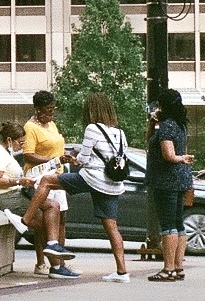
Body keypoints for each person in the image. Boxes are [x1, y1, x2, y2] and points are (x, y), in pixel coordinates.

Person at [25, 93, 132, 281]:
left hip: (91, 178)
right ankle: (122, 271)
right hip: (112, 184)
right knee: (112, 227)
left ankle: (25, 219)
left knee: (47, 181)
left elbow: (83, 160)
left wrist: (77, 156)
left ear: (92, 110)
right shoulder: (120, 133)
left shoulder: (92, 128)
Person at [0, 120, 62, 276]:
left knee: (51, 206)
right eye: (20, 143)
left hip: (15, 193)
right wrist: (19, 181)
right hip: (4, 196)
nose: (23, 146)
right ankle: (56, 266)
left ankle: (51, 258)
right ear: (9, 140)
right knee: (45, 222)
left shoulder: (6, 153)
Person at [18, 89, 78, 278]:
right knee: (46, 223)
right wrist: (51, 160)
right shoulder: (30, 127)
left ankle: (60, 262)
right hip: (40, 177)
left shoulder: (51, 124)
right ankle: (46, 263)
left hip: (57, 176)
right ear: (37, 109)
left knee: (61, 220)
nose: (51, 114)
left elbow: (57, 149)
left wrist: (62, 159)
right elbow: (28, 154)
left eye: (53, 110)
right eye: (47, 110)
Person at [146, 88, 195, 282]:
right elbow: (152, 140)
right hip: (182, 179)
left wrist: (180, 158)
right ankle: (178, 266)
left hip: (166, 179)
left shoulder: (166, 126)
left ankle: (168, 268)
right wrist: (153, 123)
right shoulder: (181, 125)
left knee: (167, 225)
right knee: (178, 222)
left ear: (163, 105)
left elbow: (168, 154)